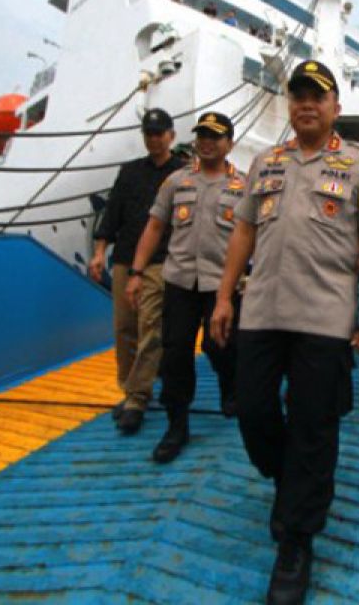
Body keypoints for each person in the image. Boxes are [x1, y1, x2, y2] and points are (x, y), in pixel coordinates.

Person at [210, 60, 359, 604]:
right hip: (262, 310)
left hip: (324, 316)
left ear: (336, 106)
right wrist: (224, 296)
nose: (306, 104)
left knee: (314, 425)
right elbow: (243, 230)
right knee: (253, 411)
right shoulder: (265, 161)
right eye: (298, 96)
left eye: (318, 96)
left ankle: (296, 540)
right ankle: (293, 485)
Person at [125, 112, 245, 464]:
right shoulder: (176, 182)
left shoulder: (244, 186)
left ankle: (228, 384)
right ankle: (177, 425)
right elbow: (154, 227)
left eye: (215, 136)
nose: (207, 142)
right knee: (175, 354)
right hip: (179, 282)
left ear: (229, 144)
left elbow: (256, 233)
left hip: (222, 283)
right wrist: (136, 271)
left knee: (218, 344)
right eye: (202, 135)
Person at [88, 109, 185, 434]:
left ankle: (138, 399)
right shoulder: (129, 172)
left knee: (151, 329)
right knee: (124, 329)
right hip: (125, 260)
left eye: (159, 133)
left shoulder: (182, 173)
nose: (154, 139)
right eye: (149, 133)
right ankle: (129, 389)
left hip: (160, 261)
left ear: (171, 135)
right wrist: (99, 253)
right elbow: (111, 215)